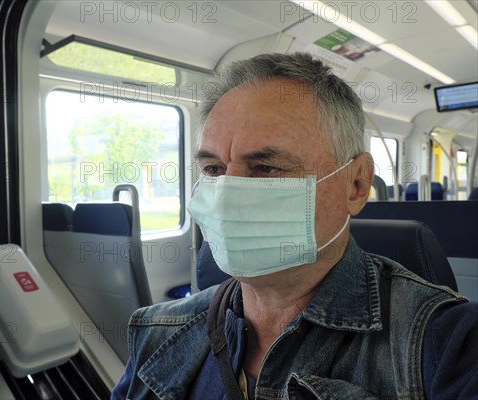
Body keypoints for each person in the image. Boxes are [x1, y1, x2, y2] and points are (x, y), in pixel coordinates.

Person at [111, 52, 478, 399]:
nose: (227, 195)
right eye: (213, 170)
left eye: (267, 168)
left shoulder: (446, 343)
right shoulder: (158, 332)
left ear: (356, 184)